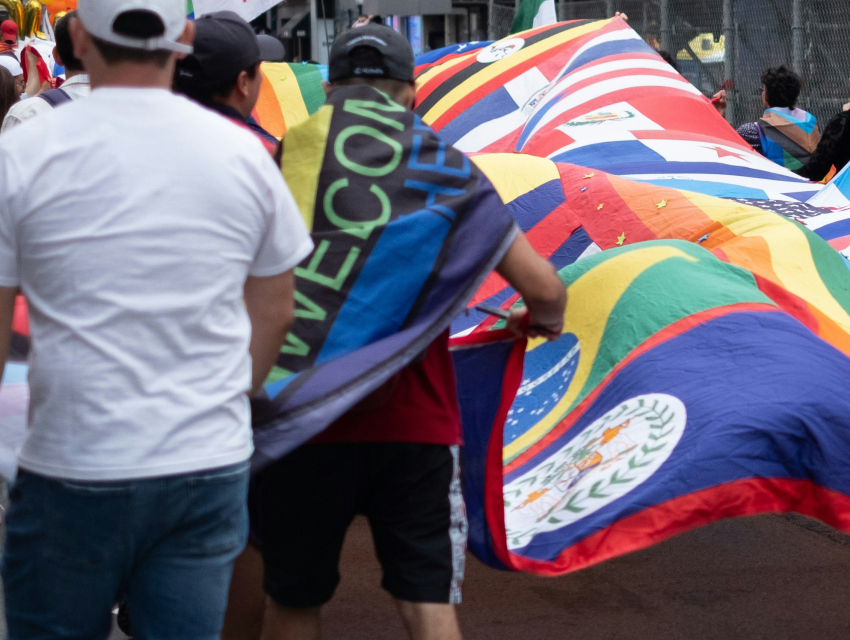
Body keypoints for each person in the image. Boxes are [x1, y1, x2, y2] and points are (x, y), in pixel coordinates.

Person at [228, 23, 567, 640]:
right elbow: (545, 290)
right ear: (410, 96)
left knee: (295, 600)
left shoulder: (285, 156)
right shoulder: (443, 164)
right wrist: (539, 319)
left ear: (329, 90)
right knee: (426, 604)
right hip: (417, 424)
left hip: (303, 415)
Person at [0, 0, 313, 637]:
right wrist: (230, 394)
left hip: (70, 460)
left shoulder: (22, 149)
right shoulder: (244, 153)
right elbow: (278, 309)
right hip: (203, 460)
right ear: (185, 38)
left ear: (79, 38)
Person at [174, 11, 280, 153]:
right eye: (258, 68)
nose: (261, 79)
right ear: (243, 83)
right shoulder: (263, 156)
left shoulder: (152, 141)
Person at [1, 11, 90, 132]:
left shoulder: (26, 114)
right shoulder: (121, 108)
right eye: (21, 83)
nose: (22, 88)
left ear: (56, 56)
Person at [732, 66, 820, 169]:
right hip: (807, 184)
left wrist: (718, 112)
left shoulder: (750, 132)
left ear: (766, 96)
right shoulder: (812, 129)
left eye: (763, 89)